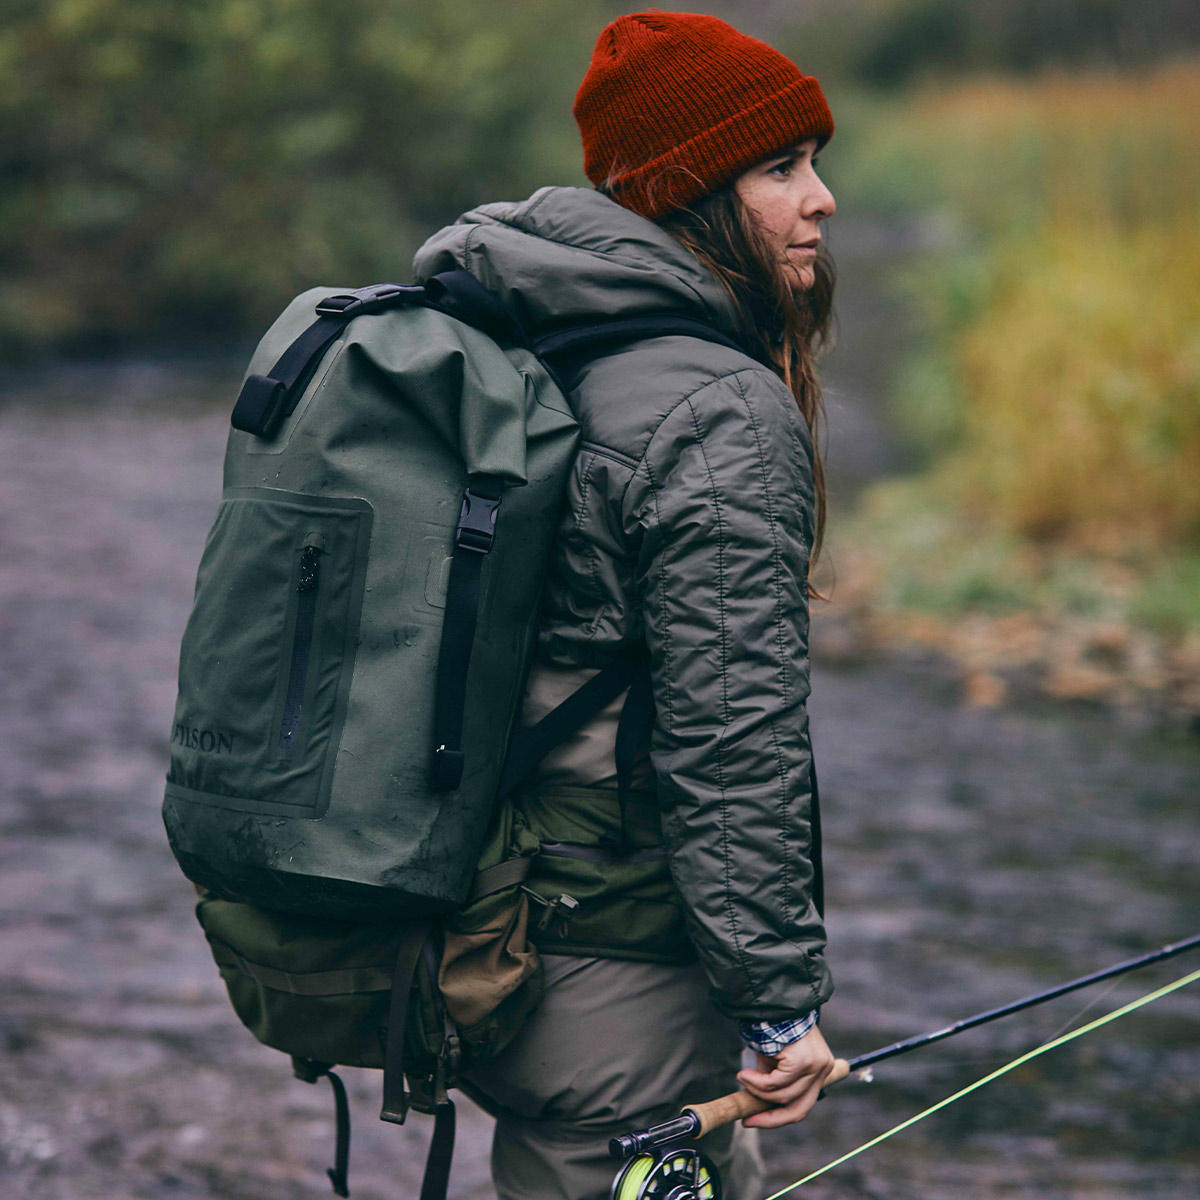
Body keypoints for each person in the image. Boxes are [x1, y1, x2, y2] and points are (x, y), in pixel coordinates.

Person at [413, 11, 840, 1199]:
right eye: (780, 167)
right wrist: (777, 1007)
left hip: (487, 935)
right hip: (621, 972)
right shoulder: (712, 409)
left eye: (815, 160)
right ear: (686, 190)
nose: (822, 200)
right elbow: (732, 736)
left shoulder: (519, 331)